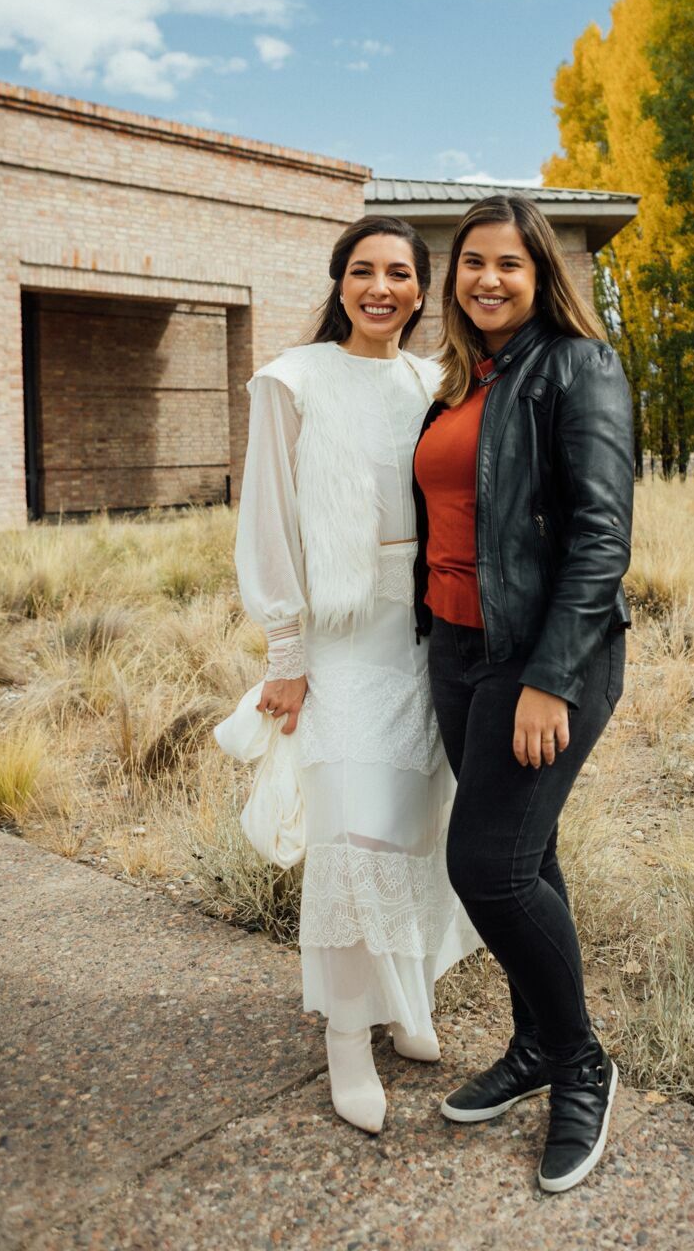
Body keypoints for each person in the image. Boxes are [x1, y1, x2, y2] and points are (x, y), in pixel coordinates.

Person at [235, 216, 479, 1136]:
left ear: (422, 289)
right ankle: (346, 1036)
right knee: (350, 835)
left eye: (400, 274)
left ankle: (405, 998)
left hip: (425, 630)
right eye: (363, 271)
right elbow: (268, 519)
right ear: (340, 282)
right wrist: (286, 656)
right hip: (339, 636)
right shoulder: (291, 380)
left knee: (414, 826)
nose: (382, 288)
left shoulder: (431, 383)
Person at [412, 194, 634, 1193]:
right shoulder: (462, 380)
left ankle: (579, 1060)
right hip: (456, 650)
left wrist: (549, 678)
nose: (488, 278)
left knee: (487, 870)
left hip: (542, 658)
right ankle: (535, 1043)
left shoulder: (577, 367)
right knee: (524, 855)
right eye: (472, 262)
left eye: (508, 262)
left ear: (540, 274)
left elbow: (600, 537)